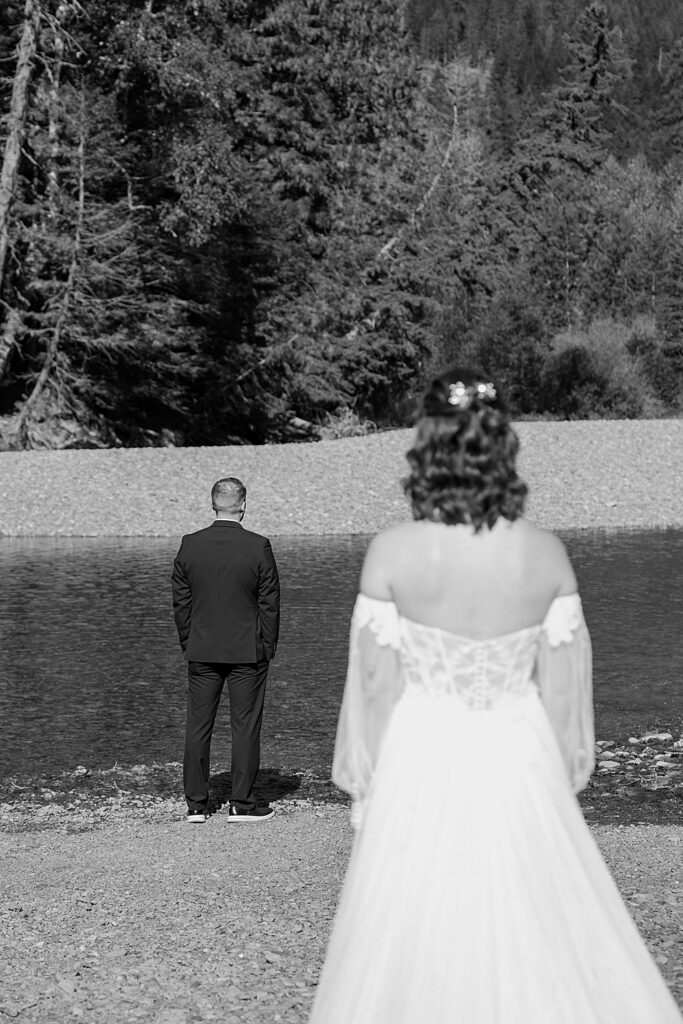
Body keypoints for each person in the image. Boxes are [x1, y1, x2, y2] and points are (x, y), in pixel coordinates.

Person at [309, 369, 682, 1023]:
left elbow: (374, 682)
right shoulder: (546, 556)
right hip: (518, 753)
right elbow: (565, 690)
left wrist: (367, 784)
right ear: (503, 447)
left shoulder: (391, 554)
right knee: (530, 917)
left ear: (425, 446)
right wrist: (563, 772)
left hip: (422, 752)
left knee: (417, 925)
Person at [172, 476, 280, 824]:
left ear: (213, 503)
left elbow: (181, 601)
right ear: (244, 505)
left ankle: (196, 805)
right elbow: (270, 604)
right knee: (245, 726)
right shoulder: (258, 545)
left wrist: (188, 640)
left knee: (198, 725)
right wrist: (268, 646)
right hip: (247, 651)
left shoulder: (191, 544)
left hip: (202, 648)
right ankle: (241, 804)